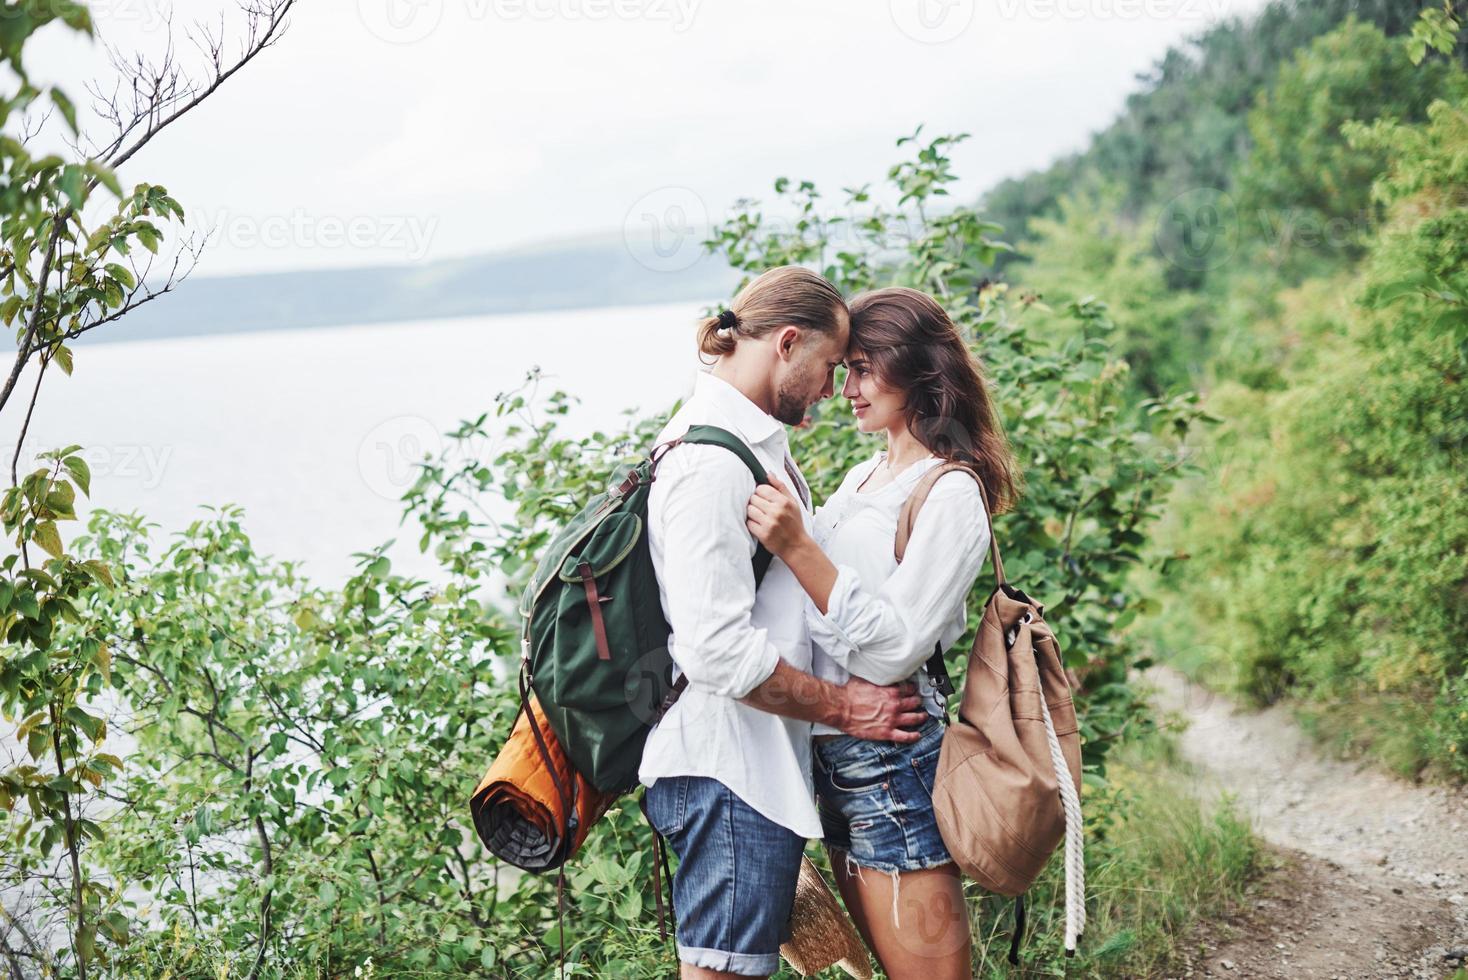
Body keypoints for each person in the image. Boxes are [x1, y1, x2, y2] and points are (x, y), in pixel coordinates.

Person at [639, 267, 930, 980]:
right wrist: (847, 706)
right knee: (722, 974)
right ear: (789, 343)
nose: (833, 388)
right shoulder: (711, 464)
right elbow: (717, 654)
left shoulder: (752, 443)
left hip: (749, 765)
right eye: (831, 367)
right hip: (726, 768)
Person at [744, 286, 1021, 979]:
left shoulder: (951, 490)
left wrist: (797, 546)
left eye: (864, 368)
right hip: (833, 755)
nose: (847, 390)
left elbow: (896, 647)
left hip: (891, 759)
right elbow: (816, 613)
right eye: (844, 368)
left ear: (919, 370)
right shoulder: (865, 474)